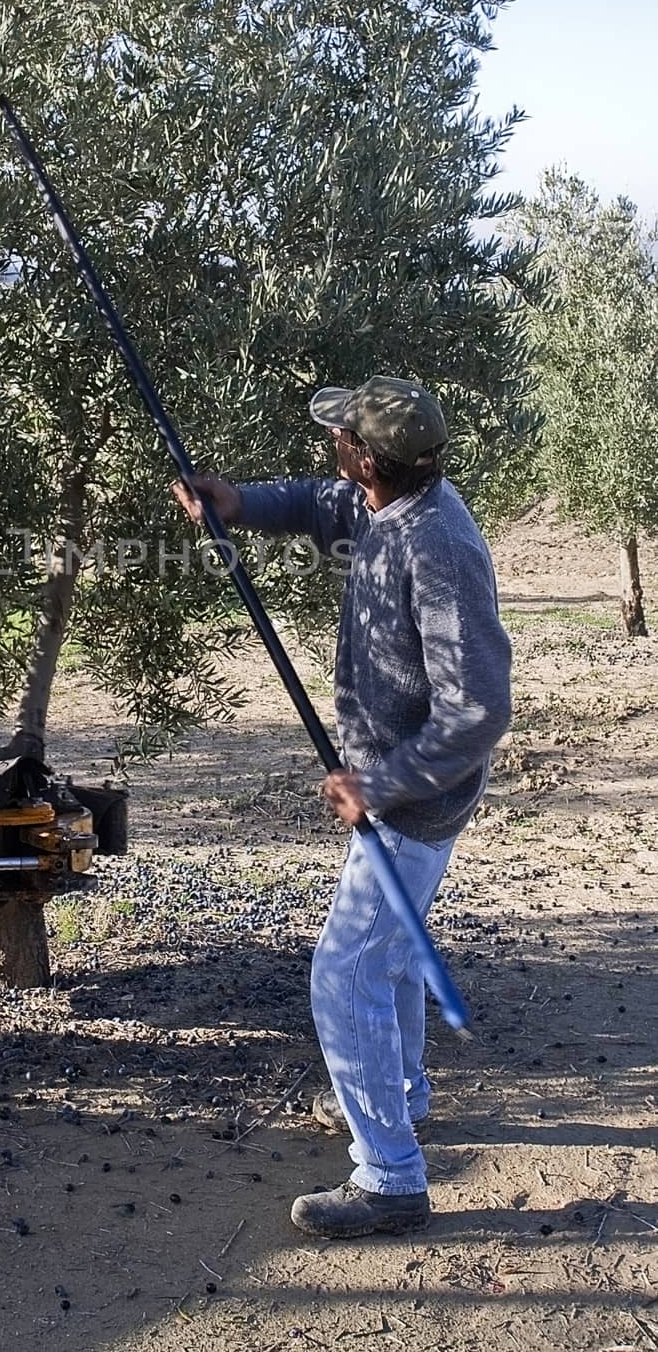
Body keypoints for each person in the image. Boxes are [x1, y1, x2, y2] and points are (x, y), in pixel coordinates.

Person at [172, 375, 511, 1239]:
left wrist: (380, 784)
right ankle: (400, 1098)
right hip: (401, 794)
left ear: (368, 455)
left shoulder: (436, 546)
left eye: (341, 437)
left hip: (414, 802)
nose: (332, 446)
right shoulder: (393, 502)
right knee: (388, 961)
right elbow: (327, 505)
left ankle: (390, 1178)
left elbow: (477, 710)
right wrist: (239, 501)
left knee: (344, 972)